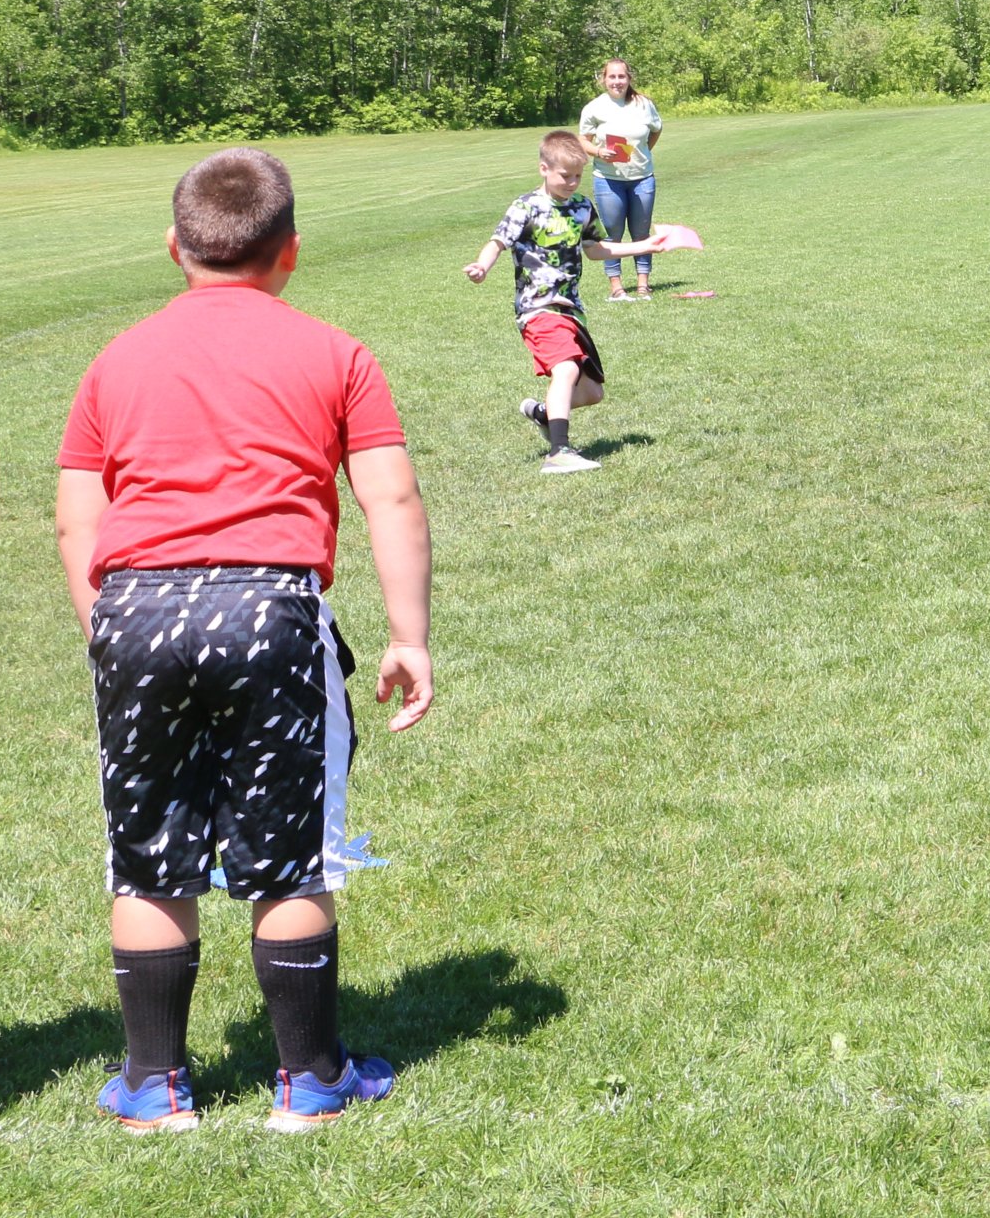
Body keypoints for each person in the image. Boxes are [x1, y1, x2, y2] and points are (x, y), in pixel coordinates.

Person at [55, 147, 434, 1134]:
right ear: (290, 251)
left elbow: (74, 517)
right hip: (271, 604)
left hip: (136, 605)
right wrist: (409, 633)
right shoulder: (337, 353)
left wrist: (104, 628)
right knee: (288, 852)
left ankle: (153, 1086)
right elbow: (388, 491)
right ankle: (309, 1080)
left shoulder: (117, 357)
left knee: (148, 855)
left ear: (174, 248)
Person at [465, 130, 656, 474]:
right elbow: (497, 242)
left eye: (578, 176)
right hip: (537, 308)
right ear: (544, 169)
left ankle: (542, 414)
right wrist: (482, 266)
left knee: (592, 393)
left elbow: (597, 249)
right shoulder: (526, 206)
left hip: (571, 310)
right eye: (565, 176)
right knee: (566, 369)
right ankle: (559, 452)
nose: (572, 183)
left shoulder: (582, 207)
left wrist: (645, 246)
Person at [579, 58, 666, 301]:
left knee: (641, 232)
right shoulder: (594, 108)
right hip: (608, 180)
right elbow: (583, 140)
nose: (617, 81)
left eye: (622, 77)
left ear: (629, 79)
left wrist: (645, 152)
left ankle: (642, 285)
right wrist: (598, 152)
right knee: (612, 234)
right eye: (612, 77)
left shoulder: (644, 104)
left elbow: (656, 129)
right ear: (603, 79)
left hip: (642, 179)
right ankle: (616, 287)